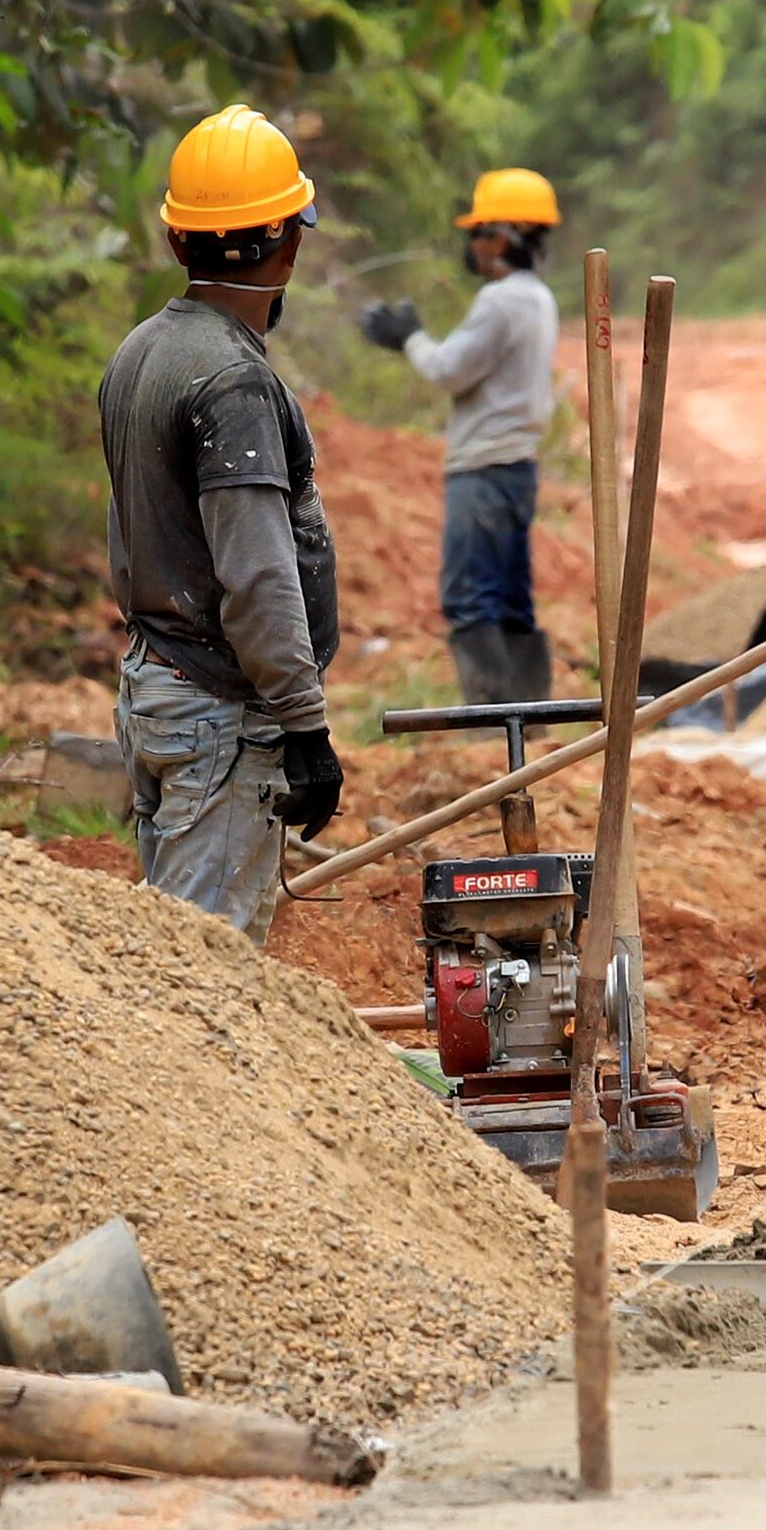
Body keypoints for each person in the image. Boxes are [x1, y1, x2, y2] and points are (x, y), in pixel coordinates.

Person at [102, 106, 343, 931]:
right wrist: (305, 725)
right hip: (217, 714)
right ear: (290, 243)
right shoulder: (232, 384)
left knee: (169, 960)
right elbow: (257, 572)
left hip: (156, 685)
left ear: (177, 242)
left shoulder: (141, 352)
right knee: (203, 978)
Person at [358, 165, 562, 707]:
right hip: (517, 466)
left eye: (478, 233)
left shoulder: (501, 301)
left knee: (470, 597)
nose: (472, 246)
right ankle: (530, 718)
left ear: (504, 235)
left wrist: (409, 338)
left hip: (485, 467)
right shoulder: (538, 297)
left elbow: (449, 369)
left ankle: (493, 722)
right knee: (512, 599)